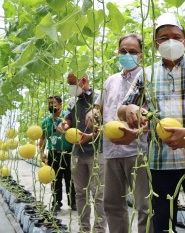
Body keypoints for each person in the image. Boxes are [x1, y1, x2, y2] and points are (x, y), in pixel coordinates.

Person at [118, 13, 185, 232]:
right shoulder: (145, 74)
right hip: (159, 162)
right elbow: (122, 109)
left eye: (175, 36)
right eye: (164, 38)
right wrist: (130, 109)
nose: (170, 41)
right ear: (156, 44)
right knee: (162, 226)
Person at [85, 34, 153, 233]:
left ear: (140, 55)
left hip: (138, 150)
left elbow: (154, 112)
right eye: (123, 50)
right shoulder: (110, 81)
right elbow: (98, 107)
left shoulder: (147, 78)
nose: (127, 54)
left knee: (145, 208)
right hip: (112, 151)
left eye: (132, 51)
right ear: (118, 52)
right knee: (113, 205)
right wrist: (93, 112)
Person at [58, 73, 107, 233]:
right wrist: (63, 126)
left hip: (96, 151)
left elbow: (106, 124)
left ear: (84, 80)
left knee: (98, 193)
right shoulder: (72, 101)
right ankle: (83, 229)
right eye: (69, 84)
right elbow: (68, 121)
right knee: (80, 193)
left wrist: (90, 136)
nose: (71, 87)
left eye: (72, 83)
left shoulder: (99, 97)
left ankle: (99, 230)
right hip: (78, 153)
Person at [38, 95, 76, 212]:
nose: (51, 105)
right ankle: (56, 202)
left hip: (68, 153)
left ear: (60, 104)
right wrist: (42, 153)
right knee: (56, 179)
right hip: (54, 154)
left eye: (54, 103)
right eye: (50, 103)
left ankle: (73, 202)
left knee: (71, 179)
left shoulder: (67, 117)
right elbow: (42, 139)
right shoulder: (46, 121)